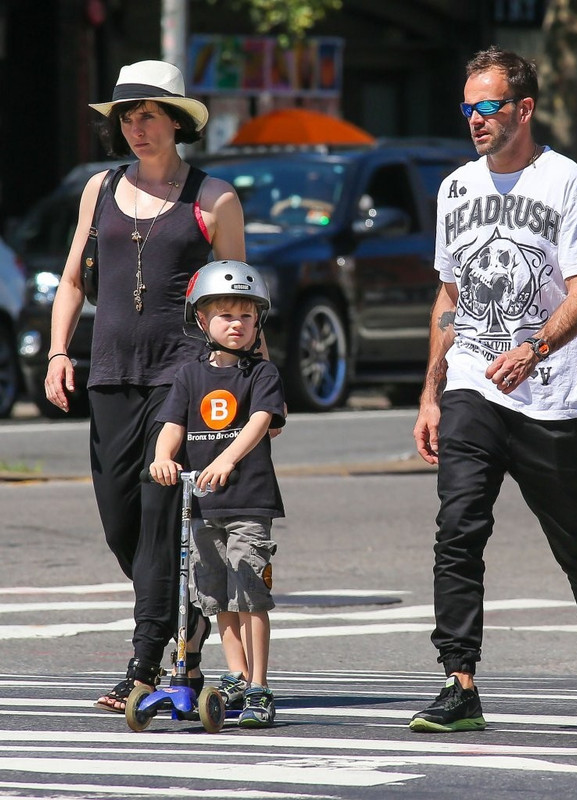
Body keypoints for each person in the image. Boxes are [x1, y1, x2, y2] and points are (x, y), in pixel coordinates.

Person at [409, 46, 577, 734]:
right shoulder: (456, 188)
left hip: (551, 392)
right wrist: (431, 391)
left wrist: (535, 347)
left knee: (571, 536)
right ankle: (459, 684)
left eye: (488, 106)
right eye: (468, 108)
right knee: (458, 530)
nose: (476, 119)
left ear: (524, 108)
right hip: (474, 384)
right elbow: (448, 296)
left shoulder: (566, 184)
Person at [44, 60, 249, 712]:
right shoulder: (100, 190)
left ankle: (143, 664)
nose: (136, 126)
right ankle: (184, 615)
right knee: (119, 522)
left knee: (160, 521)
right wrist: (57, 352)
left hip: (180, 377)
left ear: (176, 122)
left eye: (149, 115)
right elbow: (74, 280)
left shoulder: (213, 199)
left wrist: (252, 385)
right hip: (108, 375)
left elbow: (237, 298)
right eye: (127, 116)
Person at [149, 259, 285, 727]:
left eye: (247, 317)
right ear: (202, 321)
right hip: (203, 505)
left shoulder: (261, 374)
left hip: (248, 501)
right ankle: (236, 674)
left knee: (250, 592)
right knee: (216, 596)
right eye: (226, 316)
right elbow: (173, 425)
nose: (238, 325)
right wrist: (163, 457)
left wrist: (227, 458)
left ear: (257, 323)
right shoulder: (189, 376)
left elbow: (261, 421)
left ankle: (260, 686)